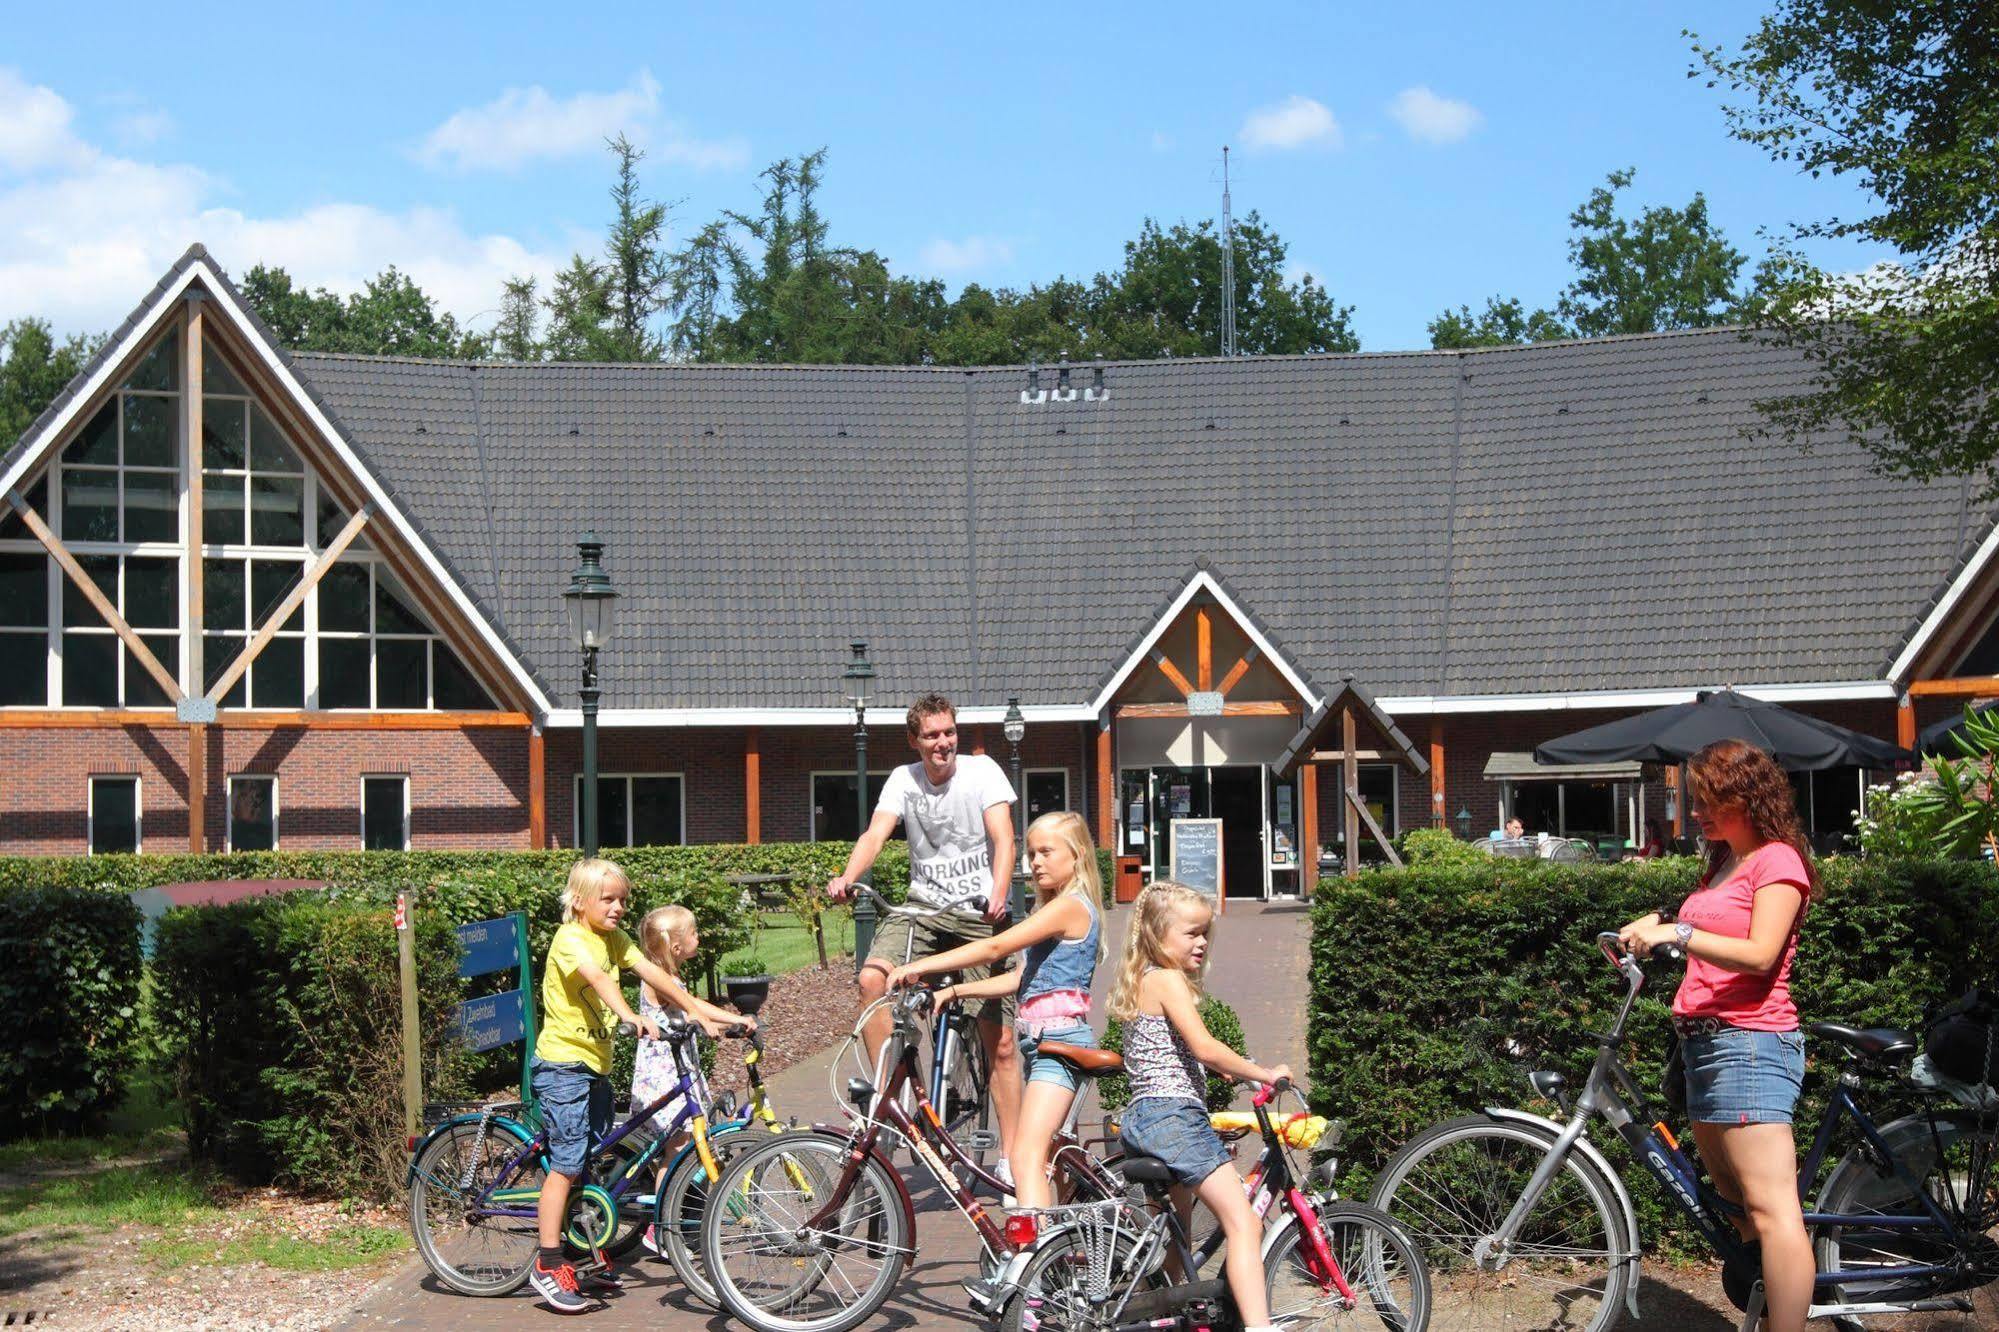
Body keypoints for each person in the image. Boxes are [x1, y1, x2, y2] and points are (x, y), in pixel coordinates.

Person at [1618, 739, 1814, 1332]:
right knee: (1739, 1209)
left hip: (1750, 1043)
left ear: (1747, 797)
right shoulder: (1725, 860)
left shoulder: (1777, 859)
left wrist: (1678, 932)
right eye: (1692, 800)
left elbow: (1759, 954)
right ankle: (1769, 1302)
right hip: (1704, 1044)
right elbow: (1705, 931)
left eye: (1707, 800)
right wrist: (1656, 926)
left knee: (1772, 1208)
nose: (1696, 813)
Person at [825, 693, 1024, 1185]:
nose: (943, 743)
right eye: (932, 735)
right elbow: (875, 834)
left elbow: (1004, 838)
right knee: (872, 980)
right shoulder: (902, 780)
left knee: (998, 1042)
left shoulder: (982, 772)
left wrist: (999, 893)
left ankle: (1014, 1154)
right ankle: (889, 1092)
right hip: (923, 910)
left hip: (979, 911)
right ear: (914, 740)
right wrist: (848, 876)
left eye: (949, 732)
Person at [528, 860, 740, 1314]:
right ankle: (547, 1265)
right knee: (565, 1164)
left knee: (588, 1159)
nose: (619, 907)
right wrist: (628, 1015)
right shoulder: (571, 939)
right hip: (564, 1065)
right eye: (609, 899)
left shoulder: (614, 939)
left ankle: (580, 1252)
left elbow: (656, 974)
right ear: (580, 901)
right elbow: (601, 979)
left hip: (595, 1067)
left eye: (623, 899)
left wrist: (697, 1010)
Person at [886, 810, 1104, 1211]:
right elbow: (1019, 979)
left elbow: (994, 948)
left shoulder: (1070, 907)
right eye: (1032, 853)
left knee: (1025, 1157)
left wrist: (920, 964)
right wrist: (954, 994)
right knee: (1050, 1157)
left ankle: (1032, 1258)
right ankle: (1062, 1245)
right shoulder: (1055, 908)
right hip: (1042, 1046)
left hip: (1060, 1045)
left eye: (1046, 852)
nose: (1035, 862)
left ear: (1076, 857)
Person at [1108, 881, 1291, 1332]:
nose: (1202, 942)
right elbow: (1204, 1046)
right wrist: (1262, 1073)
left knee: (1177, 1237)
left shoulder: (1145, 979)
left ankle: (1170, 1317)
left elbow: (1175, 1050)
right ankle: (1259, 1327)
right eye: (1191, 933)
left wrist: (1220, 1068)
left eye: (1205, 933)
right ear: (1156, 934)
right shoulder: (1168, 980)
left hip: (1145, 1117)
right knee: (1244, 1224)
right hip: (1174, 1118)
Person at [630, 904, 743, 1258]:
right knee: (677, 1152)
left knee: (681, 1149)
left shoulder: (672, 977)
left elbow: (694, 1005)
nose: (699, 938)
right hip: (662, 1078)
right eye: (693, 933)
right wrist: (722, 1019)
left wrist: (736, 1021)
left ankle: (676, 1221)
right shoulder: (658, 981)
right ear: (676, 947)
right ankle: (660, 1229)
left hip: (678, 1072)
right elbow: (692, 1006)